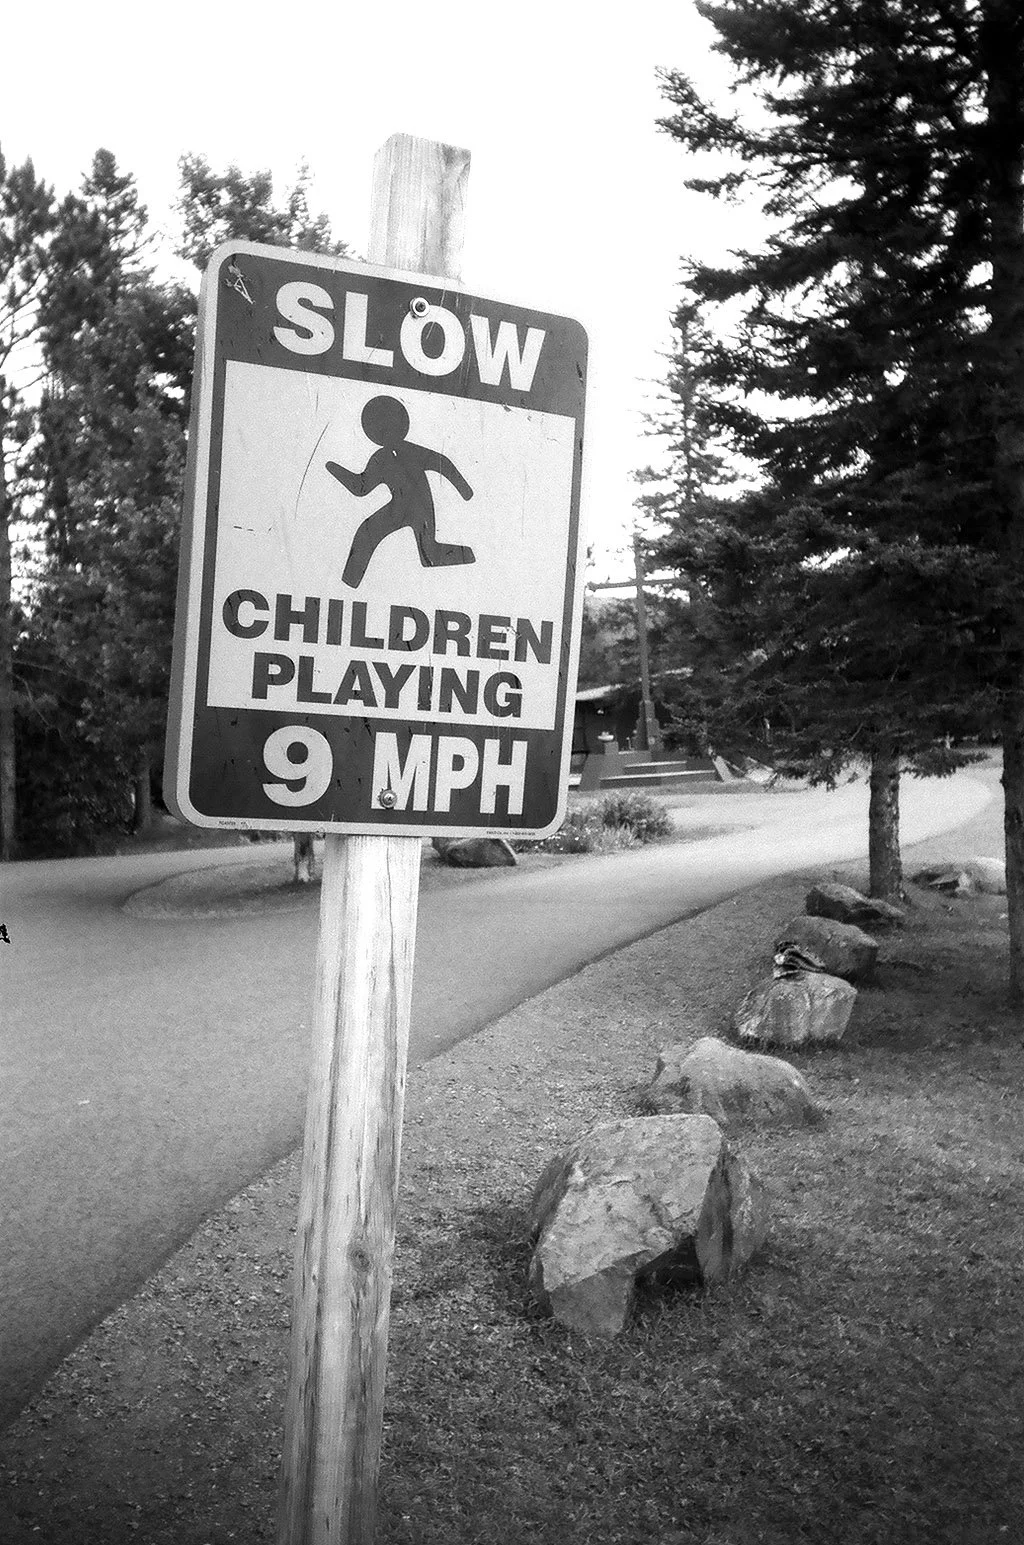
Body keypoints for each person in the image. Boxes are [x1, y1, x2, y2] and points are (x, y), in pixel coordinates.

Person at [326, 395, 475, 587]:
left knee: (428, 554)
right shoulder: (381, 458)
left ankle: (466, 554)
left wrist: (465, 490)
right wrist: (335, 469)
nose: (388, 435)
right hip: (398, 508)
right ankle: (348, 583)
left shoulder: (410, 452)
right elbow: (361, 487)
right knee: (366, 533)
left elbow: (442, 463)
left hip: (421, 509)